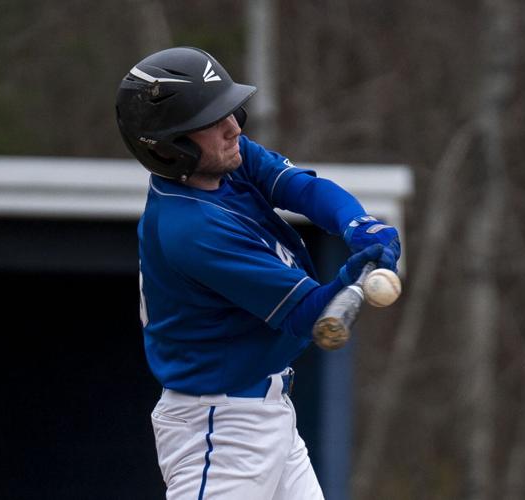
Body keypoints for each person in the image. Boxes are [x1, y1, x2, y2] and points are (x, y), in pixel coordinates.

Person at [116, 46, 401, 499]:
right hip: (218, 429)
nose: (234, 127)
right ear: (169, 147)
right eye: (211, 120)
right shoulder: (191, 229)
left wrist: (358, 225)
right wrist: (355, 276)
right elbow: (308, 314)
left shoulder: (222, 164)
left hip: (267, 414)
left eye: (230, 111)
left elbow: (300, 188)